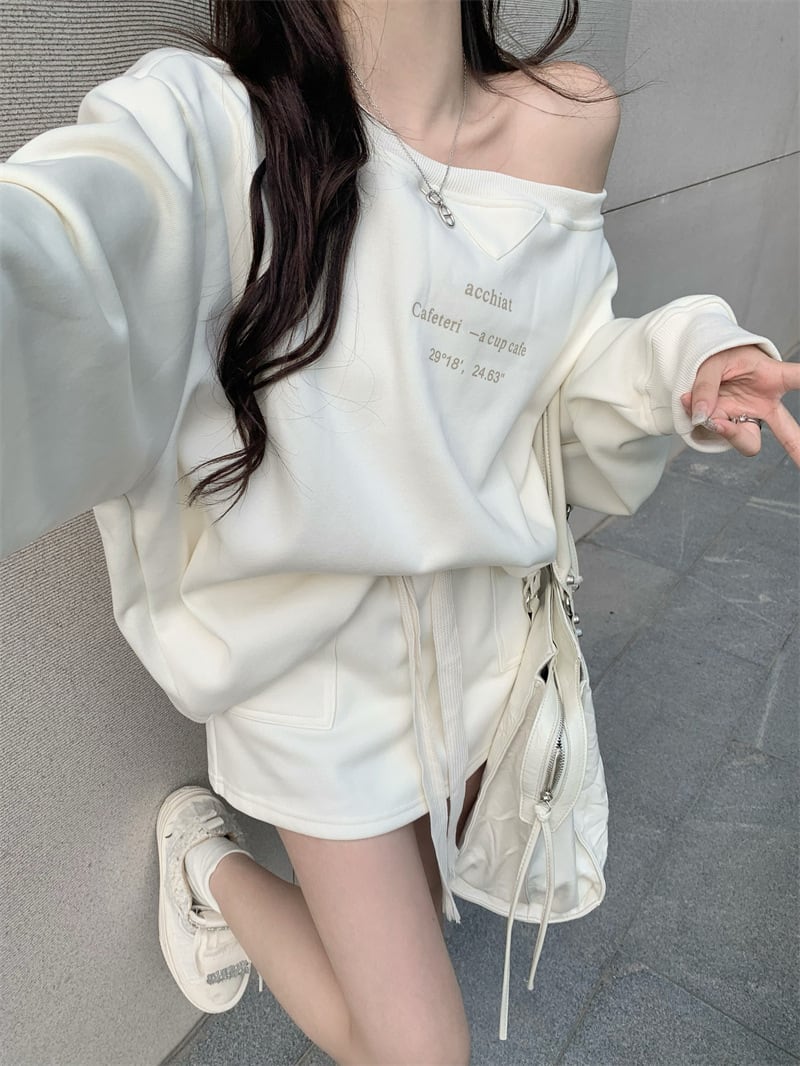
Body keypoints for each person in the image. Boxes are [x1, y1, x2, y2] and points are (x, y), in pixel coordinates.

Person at [1, 1, 798, 1063]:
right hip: (313, 678)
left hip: (476, 640)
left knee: (411, 913)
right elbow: (63, 261)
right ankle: (209, 864)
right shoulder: (210, 128)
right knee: (418, 1051)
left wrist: (676, 364)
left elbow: (553, 375)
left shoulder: (568, 117)